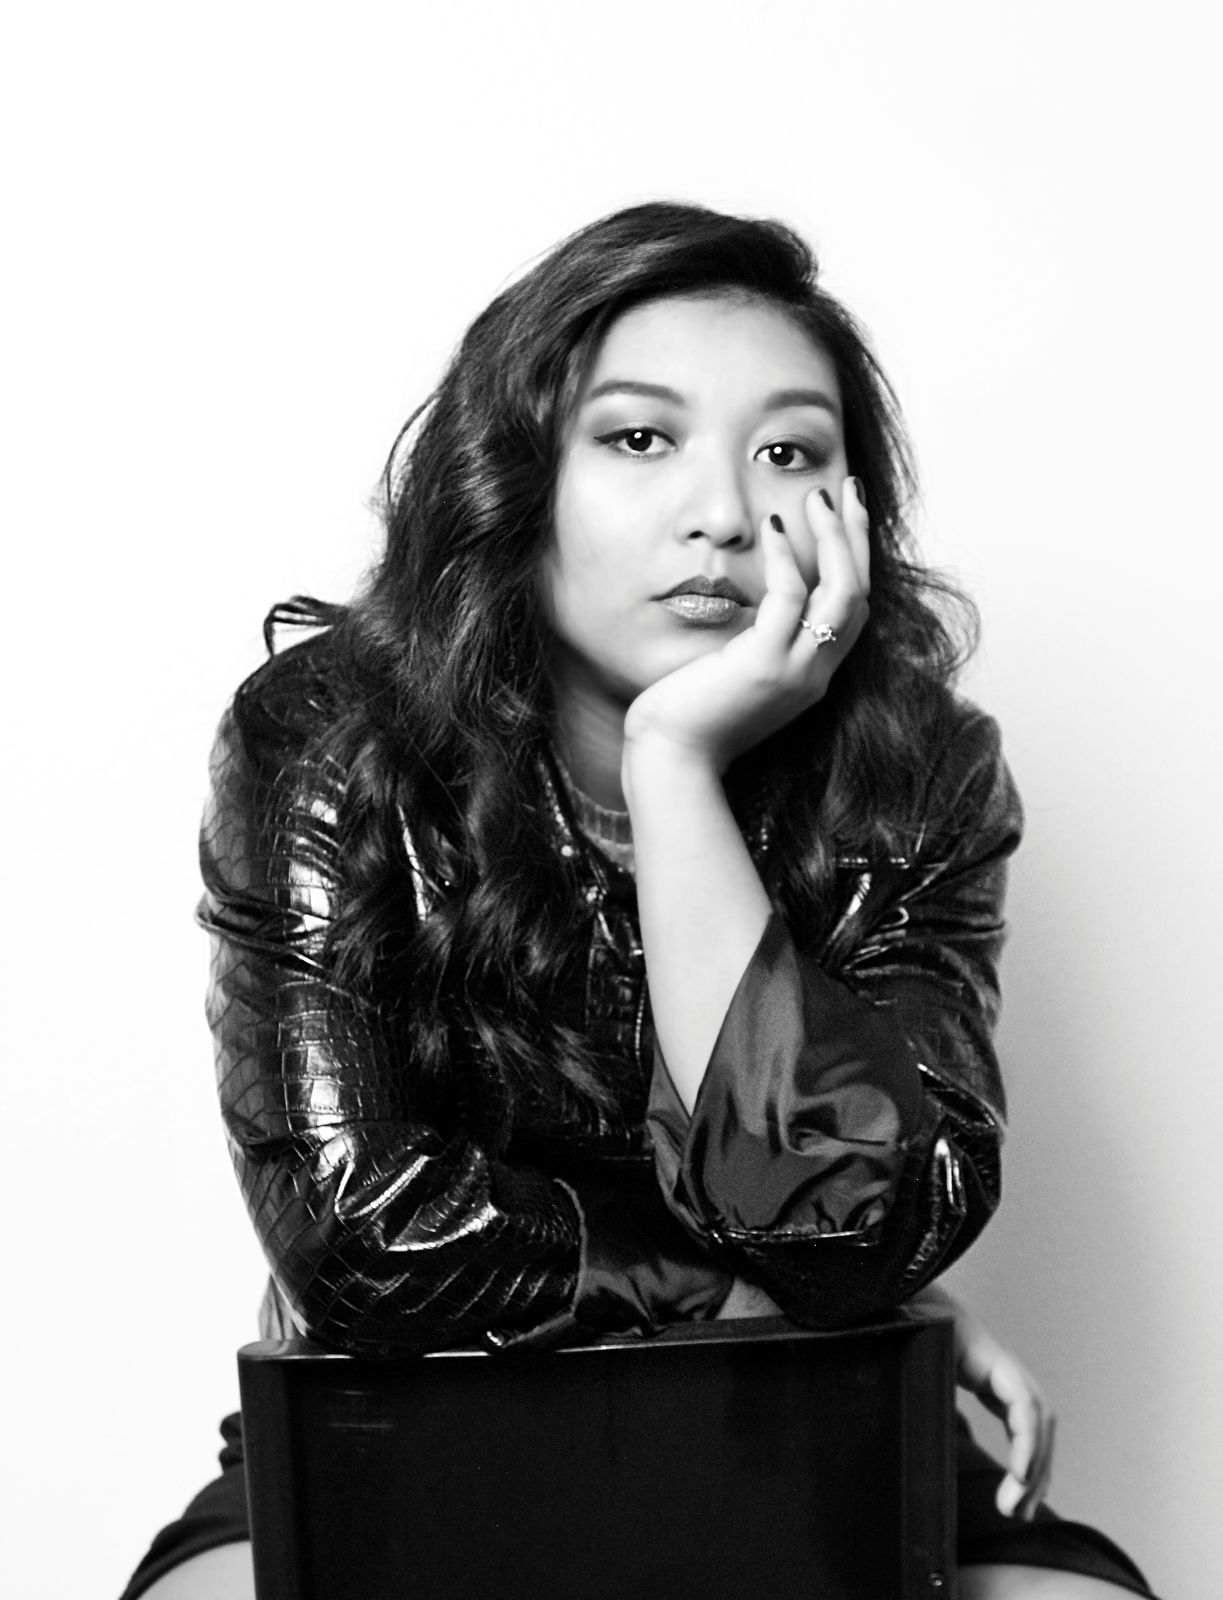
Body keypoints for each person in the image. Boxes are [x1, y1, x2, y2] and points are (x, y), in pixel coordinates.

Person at [120, 202, 1157, 1599]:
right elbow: (362, 1234)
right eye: (639, 439)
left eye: (788, 453)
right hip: (417, 1404)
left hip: (801, 1418)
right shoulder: (329, 740)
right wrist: (734, 1297)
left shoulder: (919, 771)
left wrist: (678, 768)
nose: (723, 515)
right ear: (516, 476)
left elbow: (848, 1230)